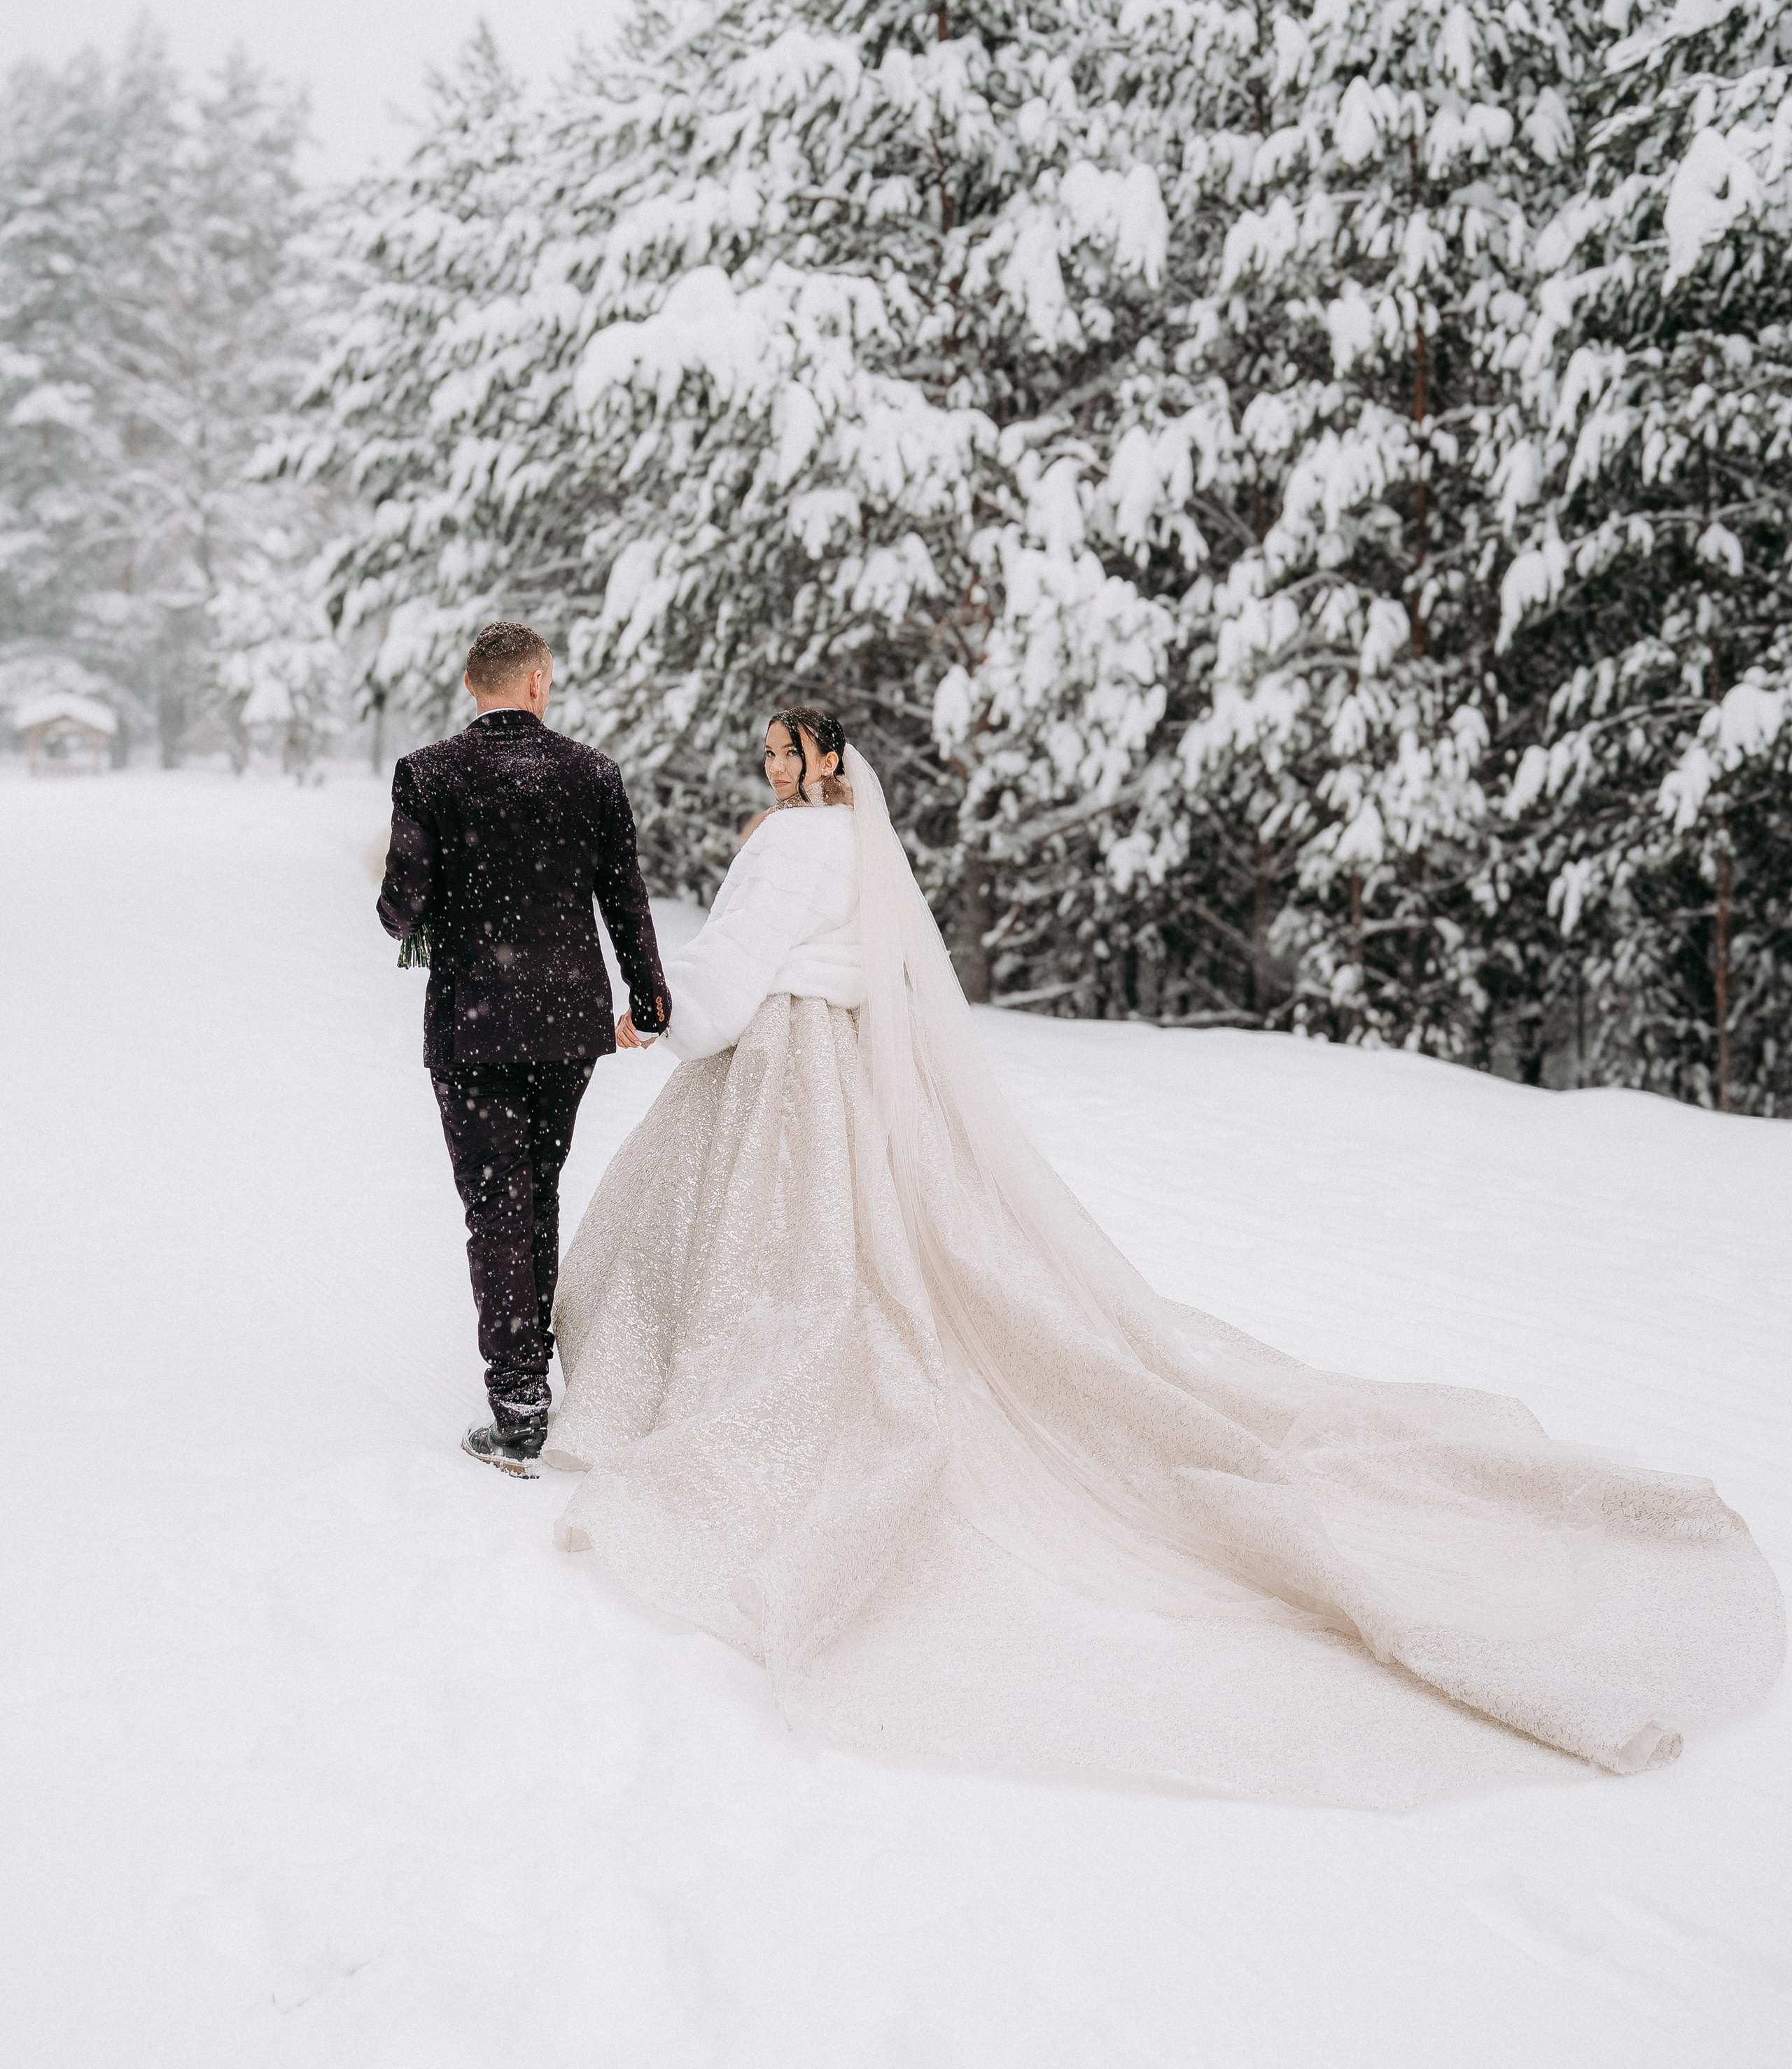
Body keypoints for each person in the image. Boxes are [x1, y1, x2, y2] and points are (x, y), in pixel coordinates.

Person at [536, 700, 1785, 1809]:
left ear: (822, 765)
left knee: (787, 1263)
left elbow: (733, 971)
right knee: (874, 1255)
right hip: (862, 1068)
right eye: (766, 756)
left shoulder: (789, 847)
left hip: (788, 1067)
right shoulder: (859, 847)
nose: (770, 771)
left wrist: (658, 1012)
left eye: (785, 753)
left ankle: (735, 1403)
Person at [377, 622, 670, 1474]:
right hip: (566, 1023)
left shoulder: (428, 774)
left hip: (473, 1022)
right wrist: (648, 997)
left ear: (474, 684)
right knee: (535, 1188)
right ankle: (528, 1377)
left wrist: (417, 897)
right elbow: (625, 894)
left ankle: (518, 1398)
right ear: (538, 683)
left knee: (494, 1201)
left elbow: (401, 910)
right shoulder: (593, 775)